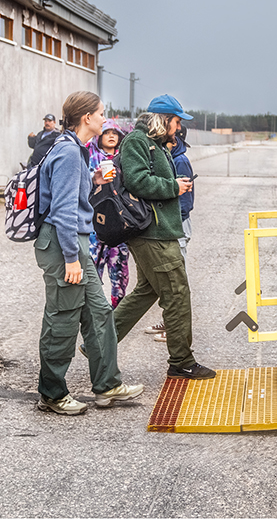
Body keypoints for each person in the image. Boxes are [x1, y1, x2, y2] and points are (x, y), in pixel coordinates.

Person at [34, 91, 144, 415]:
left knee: (99, 312)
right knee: (63, 318)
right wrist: (71, 258)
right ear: (86, 118)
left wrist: (93, 180)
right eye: (101, 114)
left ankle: (108, 385)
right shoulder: (68, 152)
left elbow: (72, 197)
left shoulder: (75, 150)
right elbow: (64, 210)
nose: (104, 119)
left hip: (75, 242)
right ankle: (51, 393)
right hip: (63, 244)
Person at [111, 95, 213, 380]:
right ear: (163, 119)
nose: (179, 128)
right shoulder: (137, 141)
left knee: (148, 291)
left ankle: (98, 344)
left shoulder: (155, 144)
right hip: (152, 235)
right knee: (178, 295)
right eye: (177, 121)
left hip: (159, 232)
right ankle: (182, 362)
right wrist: (174, 186)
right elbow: (137, 180)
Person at [145, 122, 196, 341]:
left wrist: (173, 222)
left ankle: (173, 329)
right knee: (164, 280)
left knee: (177, 281)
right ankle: (169, 322)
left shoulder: (180, 160)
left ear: (174, 139)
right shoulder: (169, 157)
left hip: (178, 225)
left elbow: (184, 201)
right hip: (173, 224)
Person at [86, 122, 130, 308]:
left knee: (119, 267)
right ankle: (92, 308)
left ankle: (116, 307)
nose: (111, 136)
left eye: (115, 133)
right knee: (93, 265)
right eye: (107, 133)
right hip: (96, 222)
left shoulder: (125, 158)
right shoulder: (90, 157)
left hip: (119, 222)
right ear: (99, 137)